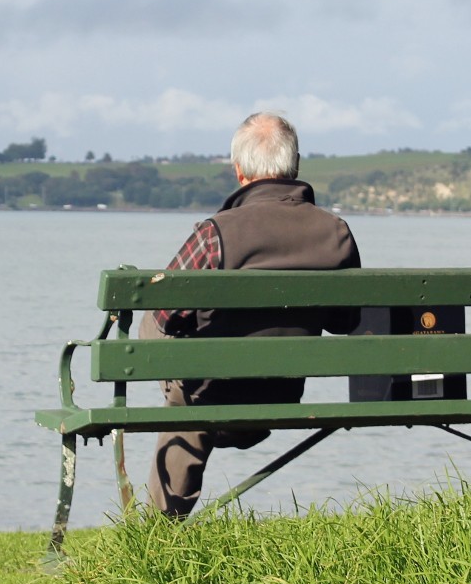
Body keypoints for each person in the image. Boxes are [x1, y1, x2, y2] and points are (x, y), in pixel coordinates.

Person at [146, 112, 360, 516]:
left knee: (154, 329)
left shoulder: (215, 232)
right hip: (283, 393)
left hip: (214, 394)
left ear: (239, 171)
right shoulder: (336, 232)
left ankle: (159, 532)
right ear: (293, 167)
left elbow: (164, 313)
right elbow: (346, 321)